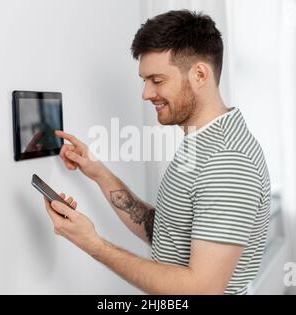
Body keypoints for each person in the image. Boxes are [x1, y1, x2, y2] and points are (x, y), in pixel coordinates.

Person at [44, 10, 271, 295]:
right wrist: (98, 172)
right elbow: (166, 232)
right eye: (145, 80)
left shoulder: (228, 160)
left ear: (200, 74)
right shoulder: (202, 142)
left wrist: (95, 246)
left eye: (157, 80)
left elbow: (201, 289)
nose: (146, 93)